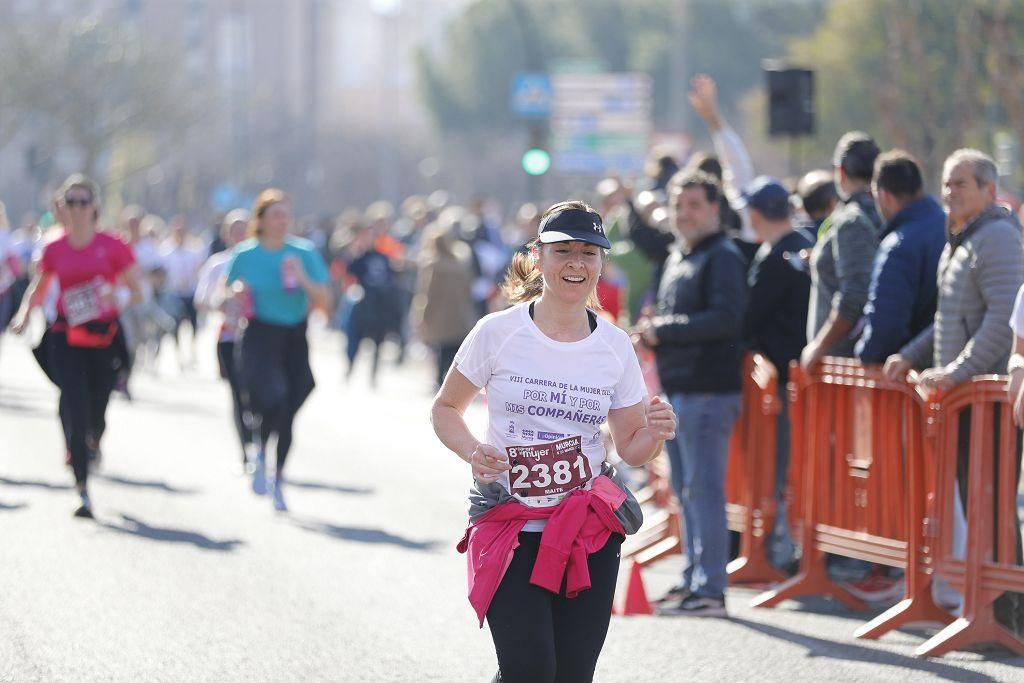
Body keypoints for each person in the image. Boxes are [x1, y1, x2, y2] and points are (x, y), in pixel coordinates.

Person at [431, 200, 676, 683]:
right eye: (563, 251)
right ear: (538, 257)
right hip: (509, 522)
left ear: (602, 263)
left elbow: (630, 446)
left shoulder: (613, 346)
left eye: (589, 252)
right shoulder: (497, 332)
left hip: (587, 529)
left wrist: (654, 434)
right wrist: (471, 450)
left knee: (571, 675)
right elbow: (445, 410)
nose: (576, 263)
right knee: (529, 671)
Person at [885, 149, 1024, 628]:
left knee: (994, 506)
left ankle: (1006, 616)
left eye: (961, 184)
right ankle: (993, 613)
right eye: (946, 183)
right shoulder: (965, 238)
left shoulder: (999, 238)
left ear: (989, 189)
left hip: (987, 402)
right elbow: (948, 321)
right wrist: (913, 354)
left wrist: (956, 373)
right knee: (980, 505)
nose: (950, 193)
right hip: (967, 401)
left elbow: (1005, 326)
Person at [634, 170, 748, 617]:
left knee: (703, 489)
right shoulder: (680, 255)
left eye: (694, 205)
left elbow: (725, 318)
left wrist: (662, 330)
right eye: (679, 205)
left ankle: (710, 589)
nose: (684, 214)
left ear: (715, 209)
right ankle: (692, 580)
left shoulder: (722, 256)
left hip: (707, 392)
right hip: (679, 390)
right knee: (685, 489)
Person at [10, 175, 143, 518]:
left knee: (97, 407)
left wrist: (118, 295)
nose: (78, 209)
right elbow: (39, 287)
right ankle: (82, 487)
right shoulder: (54, 248)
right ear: (62, 208)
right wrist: (25, 314)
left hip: (103, 337)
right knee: (73, 401)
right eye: (71, 202)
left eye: (84, 202)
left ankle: (93, 439)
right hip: (65, 336)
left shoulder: (113, 245)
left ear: (95, 207)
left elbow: (137, 290)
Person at [226, 189, 330, 512]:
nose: (283, 220)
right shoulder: (245, 254)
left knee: (292, 399)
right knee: (271, 396)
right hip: (258, 333)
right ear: (261, 220)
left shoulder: (304, 252)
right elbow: (227, 292)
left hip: (293, 334)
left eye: (286, 214)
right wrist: (235, 293)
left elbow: (325, 301)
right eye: (276, 215)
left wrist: (301, 277)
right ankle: (258, 447)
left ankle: (278, 475)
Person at [737, 176, 813, 570]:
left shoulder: (776, 255)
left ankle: (782, 551)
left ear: (754, 214)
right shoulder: (804, 245)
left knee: (782, 469)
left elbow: (750, 317)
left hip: (783, 383)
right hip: (805, 378)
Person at [855, 150, 946, 363]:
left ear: (884, 195)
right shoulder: (951, 227)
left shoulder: (898, 246)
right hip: (951, 373)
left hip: (910, 379)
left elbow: (886, 326)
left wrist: (865, 354)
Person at [801, 131, 881, 368]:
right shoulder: (882, 211)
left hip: (843, 364)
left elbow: (854, 294)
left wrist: (820, 346)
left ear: (841, 171)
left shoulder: (852, 221)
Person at [194, 209, 252, 469]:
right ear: (226, 234)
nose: (240, 234)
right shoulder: (217, 264)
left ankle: (257, 439)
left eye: (244, 229)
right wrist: (222, 300)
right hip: (228, 337)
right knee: (239, 393)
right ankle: (245, 448)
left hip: (257, 337)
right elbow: (201, 299)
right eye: (235, 229)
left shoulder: (258, 260)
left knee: (258, 392)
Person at [411, 211, 478, 390]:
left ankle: (440, 383)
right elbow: (468, 289)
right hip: (459, 314)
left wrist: (422, 316)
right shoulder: (461, 264)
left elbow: (428, 293)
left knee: (440, 351)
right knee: (454, 352)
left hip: (439, 316)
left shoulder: (433, 265)